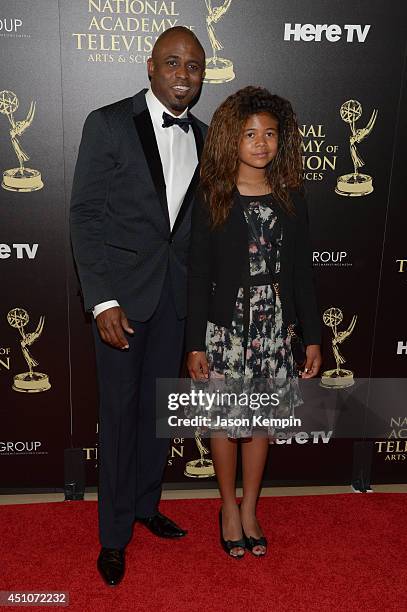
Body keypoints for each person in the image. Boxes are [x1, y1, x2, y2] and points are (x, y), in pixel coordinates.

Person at [70, 27, 206, 585]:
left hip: (175, 298)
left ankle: (147, 505)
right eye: (172, 63)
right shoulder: (107, 124)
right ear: (150, 67)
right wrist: (102, 299)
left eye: (194, 66)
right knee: (120, 419)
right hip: (121, 302)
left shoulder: (206, 134)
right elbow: (85, 217)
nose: (183, 74)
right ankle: (114, 535)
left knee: (157, 414)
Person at [186, 86, 322, 558]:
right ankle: (226, 507)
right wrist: (194, 343)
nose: (261, 143)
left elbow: (303, 272)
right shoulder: (214, 196)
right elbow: (198, 274)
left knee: (259, 421)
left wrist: (312, 337)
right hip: (225, 327)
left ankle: (249, 509)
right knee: (224, 422)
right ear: (231, 139)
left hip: (273, 324)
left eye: (269, 133)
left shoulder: (292, 197)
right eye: (250, 134)